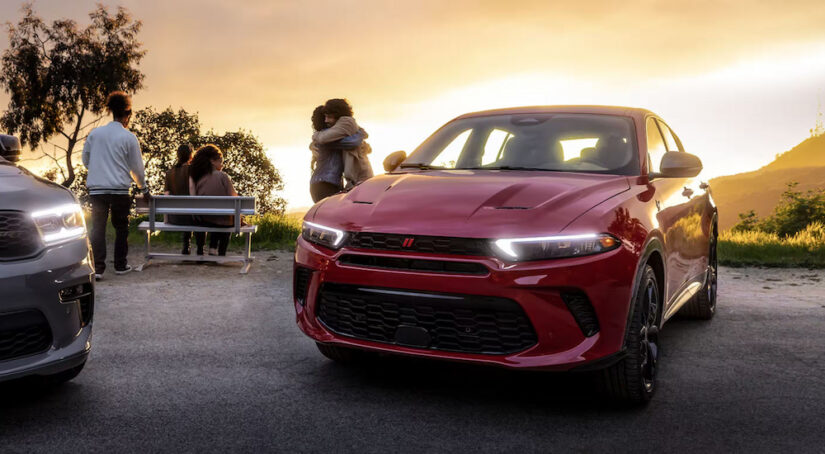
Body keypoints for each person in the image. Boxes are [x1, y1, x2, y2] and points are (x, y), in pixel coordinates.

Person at [82, 91, 149, 280]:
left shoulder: (95, 134)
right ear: (128, 113)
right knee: (121, 227)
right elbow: (137, 168)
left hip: (97, 189)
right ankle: (120, 264)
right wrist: (144, 189)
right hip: (120, 189)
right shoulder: (128, 137)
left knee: (98, 228)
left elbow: (86, 159)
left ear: (112, 112)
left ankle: (99, 268)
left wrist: (98, 170)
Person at [311, 98, 373, 189]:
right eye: (325, 117)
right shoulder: (340, 129)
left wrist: (315, 137)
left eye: (329, 116)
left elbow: (352, 143)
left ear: (338, 114)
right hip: (353, 180)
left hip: (360, 179)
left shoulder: (346, 121)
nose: (326, 120)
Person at [188, 144, 237, 256]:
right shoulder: (223, 176)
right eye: (221, 162)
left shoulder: (197, 177)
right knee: (226, 219)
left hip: (204, 219)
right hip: (223, 221)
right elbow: (233, 196)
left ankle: (212, 248)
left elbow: (193, 197)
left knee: (216, 217)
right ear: (212, 161)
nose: (222, 165)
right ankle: (220, 251)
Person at [165, 143, 194, 254]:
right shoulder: (192, 169)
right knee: (195, 213)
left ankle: (186, 244)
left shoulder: (169, 172)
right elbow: (192, 190)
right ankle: (199, 249)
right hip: (191, 217)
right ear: (191, 155)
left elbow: (166, 195)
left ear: (178, 155)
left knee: (186, 211)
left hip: (175, 218)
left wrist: (166, 219)